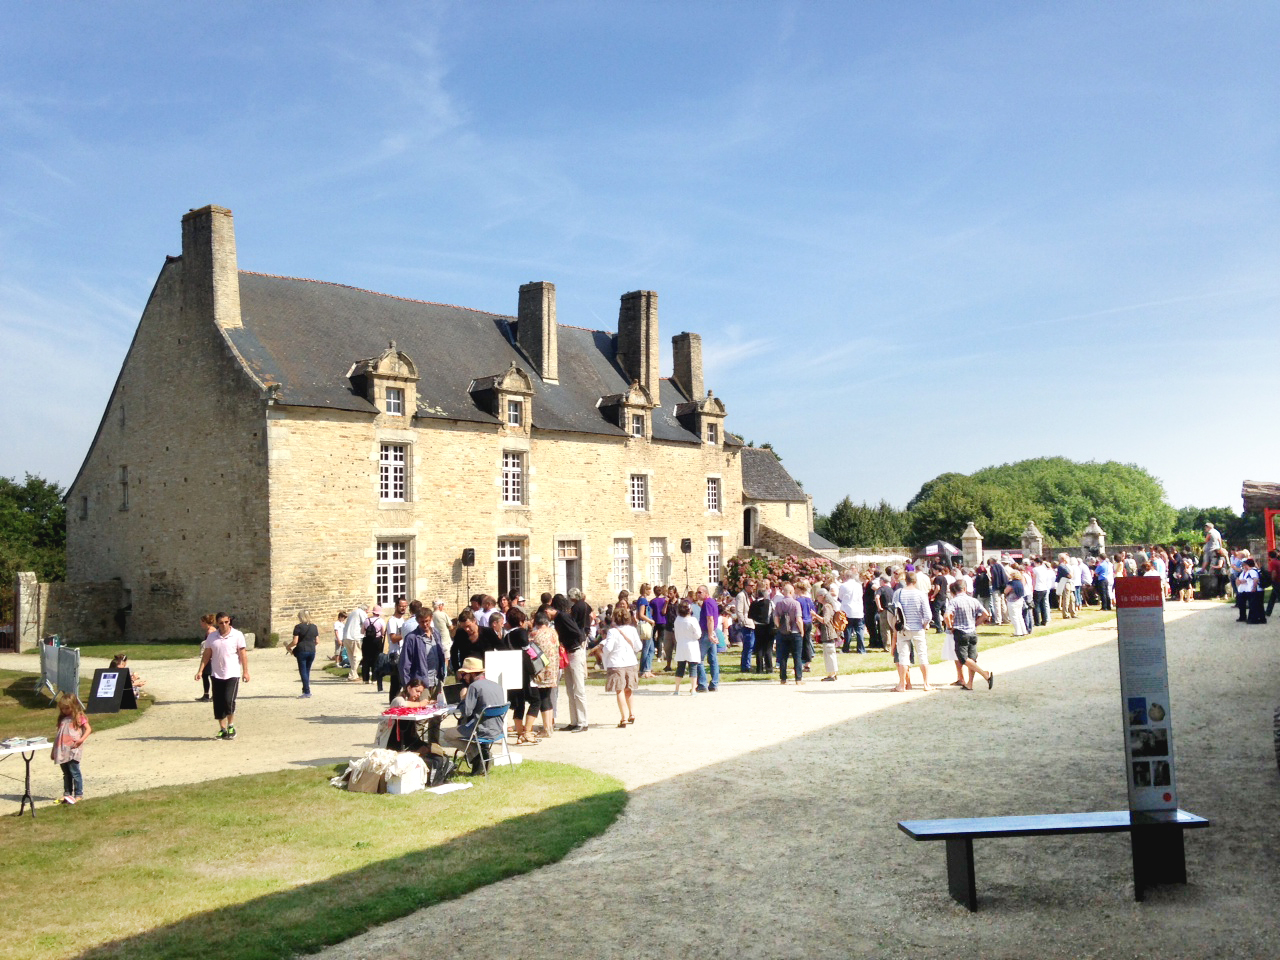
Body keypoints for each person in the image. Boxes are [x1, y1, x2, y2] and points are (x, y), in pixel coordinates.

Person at [440, 657, 506, 773]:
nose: (463, 677)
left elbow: (467, 712)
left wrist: (463, 698)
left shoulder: (474, 687)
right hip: (497, 729)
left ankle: (477, 754)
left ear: (472, 673)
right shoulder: (496, 685)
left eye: (465, 674)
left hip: (480, 729)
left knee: (448, 734)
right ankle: (480, 755)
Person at [193, 612, 250, 740]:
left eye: (226, 622)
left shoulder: (237, 635)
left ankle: (231, 725)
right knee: (218, 703)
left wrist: (245, 671)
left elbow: (243, 654)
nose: (224, 625)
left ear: (229, 621)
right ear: (217, 623)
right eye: (221, 623)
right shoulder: (212, 637)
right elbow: (207, 655)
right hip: (216, 674)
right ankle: (222, 729)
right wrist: (200, 670)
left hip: (232, 673)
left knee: (228, 700)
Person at [945, 581, 994, 691]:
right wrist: (976, 623)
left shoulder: (954, 601)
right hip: (972, 631)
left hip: (961, 632)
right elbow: (986, 614)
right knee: (972, 658)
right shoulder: (973, 600)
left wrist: (949, 627)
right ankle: (970, 684)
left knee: (963, 658)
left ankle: (984, 674)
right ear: (965, 588)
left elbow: (947, 615)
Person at [601, 603, 642, 727]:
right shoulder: (633, 630)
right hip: (631, 662)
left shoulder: (612, 632)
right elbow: (639, 646)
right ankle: (632, 713)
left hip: (616, 662)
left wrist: (602, 650)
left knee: (619, 690)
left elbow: (608, 648)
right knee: (629, 689)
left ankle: (623, 718)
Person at [553, 593, 589, 731]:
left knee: (578, 688)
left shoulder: (564, 617)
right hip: (568, 652)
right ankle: (574, 720)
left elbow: (576, 633)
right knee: (569, 688)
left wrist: (565, 641)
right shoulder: (561, 617)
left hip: (574, 651)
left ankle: (583, 721)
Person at [522, 610, 560, 742]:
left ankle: (545, 729)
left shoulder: (534, 634)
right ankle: (549, 727)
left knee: (542, 697)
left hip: (540, 670)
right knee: (547, 697)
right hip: (553, 668)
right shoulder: (553, 632)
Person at [893, 571, 934, 692]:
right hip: (918, 627)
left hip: (903, 628)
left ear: (905, 580)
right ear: (915, 581)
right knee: (922, 655)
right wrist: (924, 624)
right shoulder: (920, 594)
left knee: (903, 657)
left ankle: (902, 684)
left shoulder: (898, 593)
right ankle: (926, 684)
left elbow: (895, 611)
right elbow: (928, 615)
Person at [50, 691, 91, 805]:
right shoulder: (62, 720)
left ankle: (78, 794)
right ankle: (67, 793)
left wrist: (81, 740)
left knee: (75, 772)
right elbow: (58, 736)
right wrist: (53, 751)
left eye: (67, 708)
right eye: (62, 709)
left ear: (74, 706)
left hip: (72, 749)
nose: (64, 711)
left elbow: (88, 729)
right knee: (66, 773)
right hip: (62, 750)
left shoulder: (78, 717)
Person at [772, 583, 804, 685]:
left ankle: (783, 679)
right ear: (791, 592)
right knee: (797, 656)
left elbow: (776, 619)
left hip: (782, 632)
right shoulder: (796, 604)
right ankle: (798, 679)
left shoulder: (779, 604)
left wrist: (779, 627)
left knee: (783, 657)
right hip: (795, 632)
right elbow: (798, 619)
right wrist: (802, 631)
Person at [671, 601, 703, 696]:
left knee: (680, 667)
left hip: (681, 644)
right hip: (691, 645)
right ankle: (693, 689)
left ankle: (677, 689)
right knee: (693, 667)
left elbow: (676, 633)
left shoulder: (677, 620)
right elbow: (698, 634)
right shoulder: (692, 620)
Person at [694, 585, 721, 692]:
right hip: (711, 632)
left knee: (698, 659)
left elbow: (710, 619)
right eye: (697, 592)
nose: (698, 594)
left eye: (700, 592)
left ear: (705, 593)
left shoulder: (708, 603)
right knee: (713, 659)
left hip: (707, 633)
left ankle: (702, 684)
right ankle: (714, 684)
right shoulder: (711, 602)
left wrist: (710, 634)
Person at [287, 610, 318, 698]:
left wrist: (288, 647)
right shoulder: (314, 627)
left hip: (302, 650)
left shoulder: (298, 627)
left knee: (303, 671)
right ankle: (305, 688)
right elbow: (317, 641)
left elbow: (295, 641)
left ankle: (307, 691)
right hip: (312, 650)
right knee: (307, 670)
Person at [813, 587, 841, 681]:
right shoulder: (827, 606)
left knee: (829, 653)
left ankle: (832, 674)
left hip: (828, 632)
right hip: (828, 632)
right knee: (829, 653)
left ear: (823, 596)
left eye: (818, 596)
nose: (817, 598)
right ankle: (832, 673)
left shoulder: (826, 606)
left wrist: (815, 615)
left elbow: (825, 620)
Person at [837, 568, 866, 654]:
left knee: (848, 630)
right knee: (859, 631)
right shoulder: (859, 585)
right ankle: (861, 649)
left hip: (848, 610)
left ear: (846, 576)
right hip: (858, 610)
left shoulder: (843, 585)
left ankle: (846, 648)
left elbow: (840, 597)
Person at [749, 587, 774, 673]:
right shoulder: (769, 603)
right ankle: (769, 668)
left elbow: (750, 615)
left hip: (758, 626)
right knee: (768, 648)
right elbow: (773, 613)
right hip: (768, 626)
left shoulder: (753, 603)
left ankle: (759, 668)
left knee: (759, 647)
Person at [360, 605, 386, 687]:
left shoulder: (366, 620)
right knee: (376, 659)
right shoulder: (381, 621)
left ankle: (365, 678)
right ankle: (374, 678)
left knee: (366, 659)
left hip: (367, 640)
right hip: (377, 640)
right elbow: (383, 633)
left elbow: (362, 631)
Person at [343, 602, 367, 682]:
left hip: (346, 636)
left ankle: (354, 674)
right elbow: (366, 623)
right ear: (365, 609)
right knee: (358, 656)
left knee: (351, 657)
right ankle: (352, 674)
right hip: (355, 636)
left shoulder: (353, 612)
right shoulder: (361, 612)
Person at [196, 613, 216, 701]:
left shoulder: (210, 631)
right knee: (206, 675)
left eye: (201, 622)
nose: (201, 624)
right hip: (211, 657)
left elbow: (210, 645)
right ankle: (207, 694)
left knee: (210, 675)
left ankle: (211, 695)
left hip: (210, 657)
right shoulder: (211, 630)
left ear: (205, 622)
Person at [1005, 570, 1028, 637]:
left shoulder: (1012, 583)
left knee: (1014, 617)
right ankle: (1024, 631)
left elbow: (1006, 591)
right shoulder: (1020, 582)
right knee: (1020, 616)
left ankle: (1018, 632)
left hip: (1012, 601)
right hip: (1020, 600)